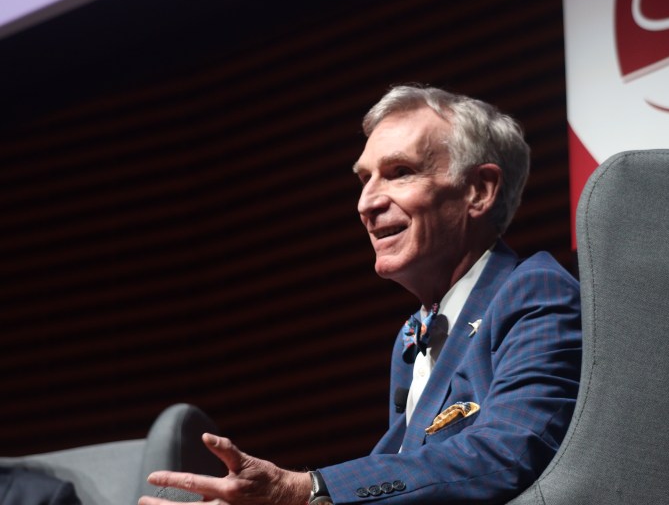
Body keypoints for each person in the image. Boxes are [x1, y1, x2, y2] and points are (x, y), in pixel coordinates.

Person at [139, 85, 582, 504]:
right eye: (364, 179)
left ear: (479, 190)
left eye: (399, 173)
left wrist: (304, 490)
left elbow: (510, 452)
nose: (366, 203)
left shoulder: (535, 291)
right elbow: (401, 474)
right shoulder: (414, 333)